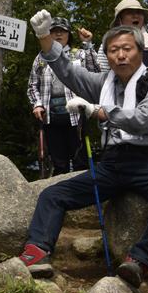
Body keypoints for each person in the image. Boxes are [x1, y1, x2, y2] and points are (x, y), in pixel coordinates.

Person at [18, 11, 148, 288]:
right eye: (114, 50)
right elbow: (68, 72)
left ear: (140, 52)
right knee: (53, 194)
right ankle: (37, 251)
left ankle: (140, 260)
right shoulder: (103, 84)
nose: (120, 55)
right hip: (113, 164)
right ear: (107, 56)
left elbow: (144, 119)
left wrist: (101, 112)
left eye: (127, 49)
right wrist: (44, 38)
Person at [26, 18, 99, 175]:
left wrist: (87, 43)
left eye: (62, 30)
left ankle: (85, 197)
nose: (58, 33)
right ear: (48, 34)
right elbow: (32, 86)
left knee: (80, 161)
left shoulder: (79, 53)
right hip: (50, 117)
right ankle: (63, 196)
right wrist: (37, 104)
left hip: (77, 117)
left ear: (68, 34)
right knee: (59, 164)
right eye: (54, 31)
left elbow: (96, 73)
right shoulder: (40, 58)